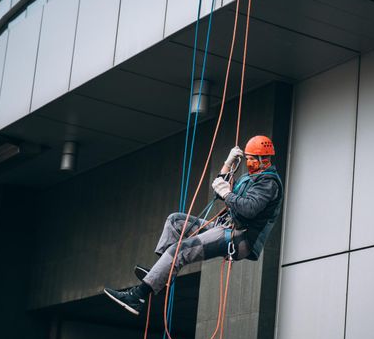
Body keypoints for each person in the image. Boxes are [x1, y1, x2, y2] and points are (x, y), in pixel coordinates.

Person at [103, 135, 284, 315]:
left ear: (264, 160)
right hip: (225, 226)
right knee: (175, 221)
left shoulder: (268, 183)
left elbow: (249, 209)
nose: (249, 162)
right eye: (248, 158)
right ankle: (162, 275)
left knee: (180, 250)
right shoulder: (249, 177)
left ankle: (138, 297)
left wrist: (227, 194)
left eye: (252, 159)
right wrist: (227, 165)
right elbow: (223, 188)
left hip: (238, 237)